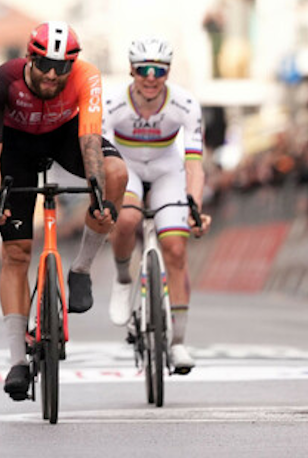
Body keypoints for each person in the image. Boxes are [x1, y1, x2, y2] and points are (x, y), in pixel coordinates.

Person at [0, 21, 127, 401]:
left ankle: (81, 270)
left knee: (115, 173)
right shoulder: (2, 79)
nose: (51, 74)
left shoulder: (86, 76)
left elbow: (90, 138)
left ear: (72, 66)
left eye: (61, 68)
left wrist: (98, 195)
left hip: (66, 136)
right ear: (30, 57)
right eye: (44, 64)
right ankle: (17, 361)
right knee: (16, 252)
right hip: (17, 147)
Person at [102, 38, 212, 375]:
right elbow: (104, 161)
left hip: (167, 169)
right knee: (128, 219)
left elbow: (194, 163)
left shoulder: (185, 103)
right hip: (127, 167)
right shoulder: (111, 104)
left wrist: (194, 206)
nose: (151, 78)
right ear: (131, 70)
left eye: (159, 71)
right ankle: (123, 277)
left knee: (176, 249)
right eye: (144, 70)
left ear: (168, 72)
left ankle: (177, 342)